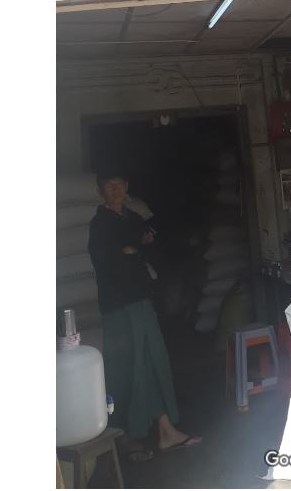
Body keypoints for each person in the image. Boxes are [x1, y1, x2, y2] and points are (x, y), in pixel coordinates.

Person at [88, 172, 201, 457]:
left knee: (152, 359)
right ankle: (124, 435)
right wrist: (129, 249)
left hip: (140, 299)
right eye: (109, 186)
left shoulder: (134, 219)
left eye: (119, 185)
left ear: (126, 187)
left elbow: (145, 247)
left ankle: (165, 429)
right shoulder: (100, 224)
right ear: (101, 192)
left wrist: (139, 246)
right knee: (125, 367)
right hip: (118, 305)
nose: (115, 190)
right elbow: (106, 259)